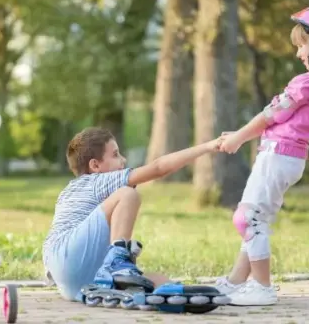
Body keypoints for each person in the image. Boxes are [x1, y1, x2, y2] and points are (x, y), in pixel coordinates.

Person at [215, 4, 309, 306]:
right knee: (255, 219)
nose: (299, 54)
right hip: (288, 157)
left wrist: (238, 137)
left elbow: (271, 115)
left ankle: (262, 287)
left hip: (278, 155)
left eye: (302, 46)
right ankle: (237, 281)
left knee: (247, 219)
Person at [42, 127, 222, 301]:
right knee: (127, 193)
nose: (123, 159)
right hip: (69, 256)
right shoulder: (97, 180)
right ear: (95, 165)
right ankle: (118, 262)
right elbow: (158, 168)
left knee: (157, 280)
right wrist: (208, 146)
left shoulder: (68, 191)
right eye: (115, 154)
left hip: (68, 280)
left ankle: (176, 295)